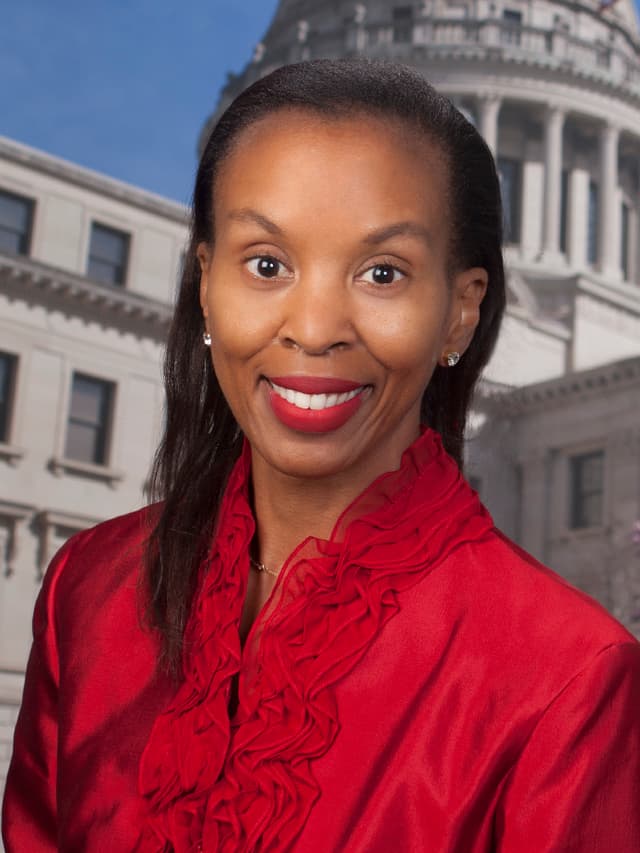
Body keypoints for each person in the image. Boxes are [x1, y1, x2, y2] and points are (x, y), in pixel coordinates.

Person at [2, 59, 639, 852]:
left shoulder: (568, 677)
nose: (313, 327)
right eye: (266, 263)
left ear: (460, 312)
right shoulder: (88, 589)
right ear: (205, 281)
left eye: (383, 272)